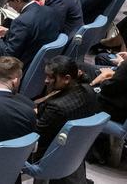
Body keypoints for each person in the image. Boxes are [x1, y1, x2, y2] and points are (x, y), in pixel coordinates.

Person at [34, 56, 100, 184]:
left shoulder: (56, 107)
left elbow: (37, 135)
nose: (46, 81)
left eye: (51, 77)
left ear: (67, 78)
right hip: (77, 149)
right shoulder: (88, 91)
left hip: (49, 154)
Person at [0, 0, 63, 66]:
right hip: (44, 61)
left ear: (17, 0)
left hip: (25, 65)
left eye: (8, 2)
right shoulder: (49, 10)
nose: (8, 5)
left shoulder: (21, 22)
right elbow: (34, 35)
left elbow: (8, 56)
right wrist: (8, 32)